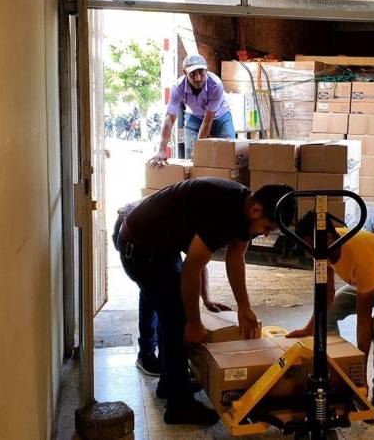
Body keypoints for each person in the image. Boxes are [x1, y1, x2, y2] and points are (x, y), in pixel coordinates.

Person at [116, 177, 295, 425]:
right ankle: (178, 407)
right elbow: (192, 268)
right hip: (139, 247)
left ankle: (170, 383)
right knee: (176, 317)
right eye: (268, 227)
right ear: (257, 210)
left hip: (159, 245)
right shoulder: (223, 211)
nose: (265, 234)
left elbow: (235, 258)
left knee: (170, 306)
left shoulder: (246, 208)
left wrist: (242, 305)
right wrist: (194, 321)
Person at [287, 210, 374, 423]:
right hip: (373, 282)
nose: (310, 254)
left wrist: (359, 375)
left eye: (311, 247)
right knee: (328, 314)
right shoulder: (323, 248)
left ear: (331, 239)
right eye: (307, 248)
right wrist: (309, 327)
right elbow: (327, 294)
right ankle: (337, 377)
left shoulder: (360, 254)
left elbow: (363, 320)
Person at [111, 202, 231, 378]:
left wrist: (206, 299)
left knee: (157, 296)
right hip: (134, 236)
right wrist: (194, 320)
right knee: (164, 303)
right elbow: (195, 265)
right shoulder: (196, 223)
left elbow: (197, 264)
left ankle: (168, 365)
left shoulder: (192, 223)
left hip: (153, 236)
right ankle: (150, 357)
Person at [150, 54, 235, 164]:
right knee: (191, 159)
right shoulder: (178, 87)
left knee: (229, 153)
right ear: (185, 73)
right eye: (193, 74)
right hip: (194, 117)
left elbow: (208, 120)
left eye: (201, 73)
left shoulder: (216, 85)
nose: (198, 78)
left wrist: (198, 149)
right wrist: (161, 150)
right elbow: (170, 118)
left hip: (220, 117)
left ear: (206, 70)